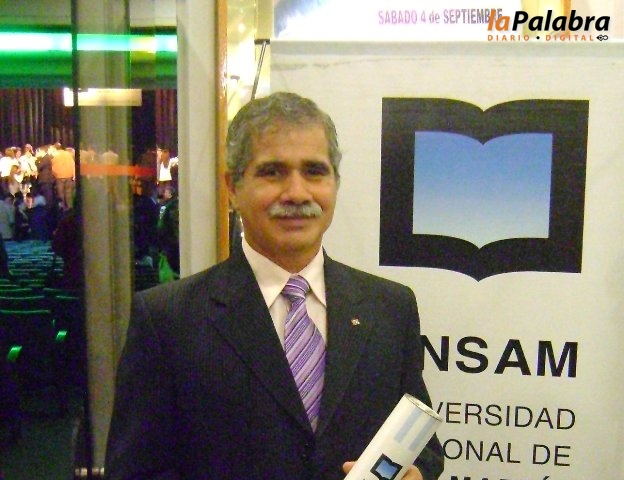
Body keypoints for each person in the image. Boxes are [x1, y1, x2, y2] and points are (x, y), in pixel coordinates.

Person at [104, 92, 444, 480]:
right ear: (233, 187)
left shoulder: (390, 309)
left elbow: (423, 448)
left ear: (335, 183)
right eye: (273, 172)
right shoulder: (168, 320)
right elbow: (135, 472)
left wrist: (417, 474)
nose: (297, 193)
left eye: (314, 171)